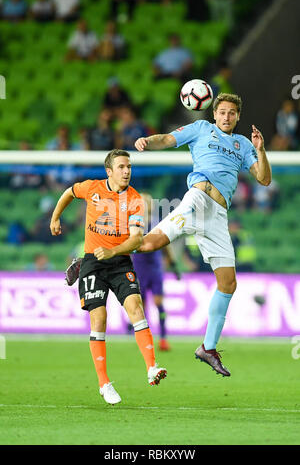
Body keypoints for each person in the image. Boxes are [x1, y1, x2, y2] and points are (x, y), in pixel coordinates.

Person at [134, 93, 272, 377]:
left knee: (228, 283)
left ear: (237, 116)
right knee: (150, 244)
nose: (226, 116)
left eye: (232, 113)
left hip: (218, 217)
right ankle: (99, 252)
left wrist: (261, 149)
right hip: (197, 200)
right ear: (215, 113)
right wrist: (148, 141)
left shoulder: (244, 145)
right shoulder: (201, 130)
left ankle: (208, 348)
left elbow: (264, 178)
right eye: (222, 112)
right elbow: (168, 139)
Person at [50, 149, 167, 405]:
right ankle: (104, 383)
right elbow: (70, 192)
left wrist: (113, 250)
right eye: (122, 167)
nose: (127, 171)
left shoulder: (135, 199)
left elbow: (136, 239)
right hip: (93, 261)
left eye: (129, 167)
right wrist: (56, 216)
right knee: (99, 317)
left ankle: (151, 367)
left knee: (136, 307)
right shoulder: (91, 188)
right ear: (109, 171)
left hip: (119, 259)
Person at [130, 192, 181, 351]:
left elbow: (166, 246)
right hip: (139, 269)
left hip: (154, 269)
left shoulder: (157, 225)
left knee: (158, 303)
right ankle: (144, 340)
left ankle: (163, 338)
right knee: (141, 307)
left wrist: (173, 266)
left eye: (146, 203)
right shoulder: (132, 224)